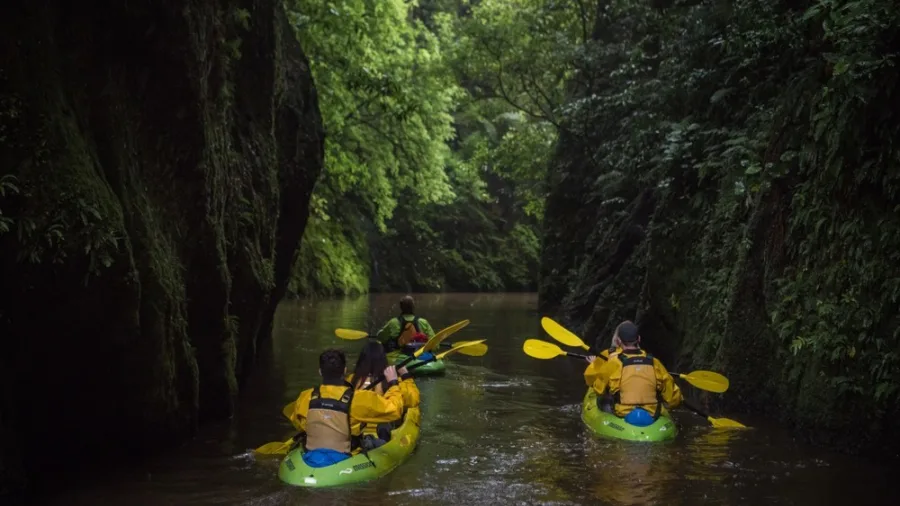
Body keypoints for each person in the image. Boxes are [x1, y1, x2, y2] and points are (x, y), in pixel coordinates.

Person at [289, 348, 406, 467]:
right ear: (344, 370)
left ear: (320, 371)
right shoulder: (359, 398)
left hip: (310, 452)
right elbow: (395, 411)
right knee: (380, 439)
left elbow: (298, 423)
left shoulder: (305, 396)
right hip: (347, 456)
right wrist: (393, 383)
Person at [588, 321, 682, 426]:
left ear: (618, 341)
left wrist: (594, 369)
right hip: (652, 413)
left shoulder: (613, 362)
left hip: (622, 413)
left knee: (603, 400)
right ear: (639, 339)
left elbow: (598, 389)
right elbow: (673, 399)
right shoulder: (654, 362)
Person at [345, 340, 421, 449]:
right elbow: (413, 401)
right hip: (381, 433)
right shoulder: (390, 381)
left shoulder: (351, 379)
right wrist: (405, 375)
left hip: (355, 434)